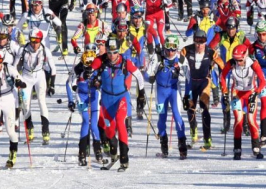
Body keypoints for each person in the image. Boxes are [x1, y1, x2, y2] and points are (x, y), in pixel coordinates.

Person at [89, 34, 146, 171]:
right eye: (109, 52)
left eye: (114, 52)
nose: (111, 56)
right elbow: (89, 72)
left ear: (118, 51)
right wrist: (94, 81)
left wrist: (141, 94)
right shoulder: (101, 61)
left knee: (121, 123)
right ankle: (114, 153)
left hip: (121, 98)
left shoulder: (125, 62)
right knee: (109, 130)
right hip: (107, 100)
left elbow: (138, 75)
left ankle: (124, 158)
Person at [220, 45, 266, 160]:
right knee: (239, 120)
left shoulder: (253, 63)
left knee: (251, 120)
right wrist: (224, 92)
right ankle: (237, 149)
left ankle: (256, 148)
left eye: (240, 60)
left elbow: (263, 81)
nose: (238, 62)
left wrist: (256, 92)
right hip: (237, 93)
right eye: (236, 59)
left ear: (245, 56)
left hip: (250, 93)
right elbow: (222, 77)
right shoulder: (231, 63)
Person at [181, 30, 224, 148]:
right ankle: (193, 131)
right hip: (190, 83)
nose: (199, 45)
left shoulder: (211, 52)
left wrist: (222, 78)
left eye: (202, 42)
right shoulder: (186, 50)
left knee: (205, 110)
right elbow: (175, 60)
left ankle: (207, 138)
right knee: (189, 108)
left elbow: (222, 66)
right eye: (197, 42)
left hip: (204, 83)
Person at [148, 35, 189, 159]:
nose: (170, 52)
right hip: (160, 91)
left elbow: (188, 78)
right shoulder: (158, 57)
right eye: (168, 49)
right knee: (161, 119)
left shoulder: (181, 59)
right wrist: (151, 77)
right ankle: (164, 147)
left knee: (177, 116)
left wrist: (188, 95)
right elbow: (147, 74)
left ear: (177, 49)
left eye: (173, 49)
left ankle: (182, 147)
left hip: (173, 91)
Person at [14, 29, 56, 145]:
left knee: (41, 101)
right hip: (26, 76)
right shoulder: (23, 49)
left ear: (40, 40)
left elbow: (53, 68)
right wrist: (16, 78)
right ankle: (29, 128)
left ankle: (45, 130)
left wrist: (52, 84)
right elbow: (14, 66)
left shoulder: (45, 50)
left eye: (37, 41)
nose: (34, 44)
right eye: (32, 41)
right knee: (25, 103)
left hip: (39, 75)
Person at [67, 48, 104, 165]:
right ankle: (82, 152)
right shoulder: (78, 68)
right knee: (85, 121)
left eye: (90, 65)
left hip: (94, 96)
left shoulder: (98, 68)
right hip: (81, 96)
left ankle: (98, 150)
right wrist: (70, 100)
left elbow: (105, 83)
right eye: (86, 65)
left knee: (93, 124)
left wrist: (100, 89)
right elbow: (68, 83)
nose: (88, 67)